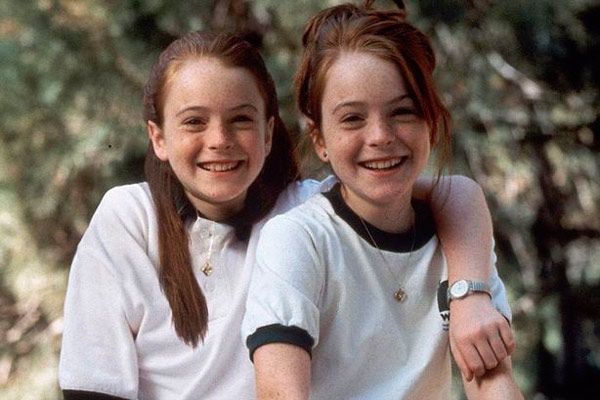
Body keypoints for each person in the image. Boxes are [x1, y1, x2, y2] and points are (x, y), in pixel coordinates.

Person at [59, 28, 511, 399]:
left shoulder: (300, 211)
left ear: (269, 131)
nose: (219, 140)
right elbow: (94, 386)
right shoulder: (130, 218)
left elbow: (452, 193)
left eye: (240, 119)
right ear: (158, 138)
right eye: (194, 121)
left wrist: (469, 295)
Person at [242, 2, 523, 399]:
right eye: (352, 118)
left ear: (431, 121)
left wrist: (472, 299)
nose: (380, 136)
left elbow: (494, 384)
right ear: (319, 139)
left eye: (403, 112)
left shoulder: (460, 241)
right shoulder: (299, 239)